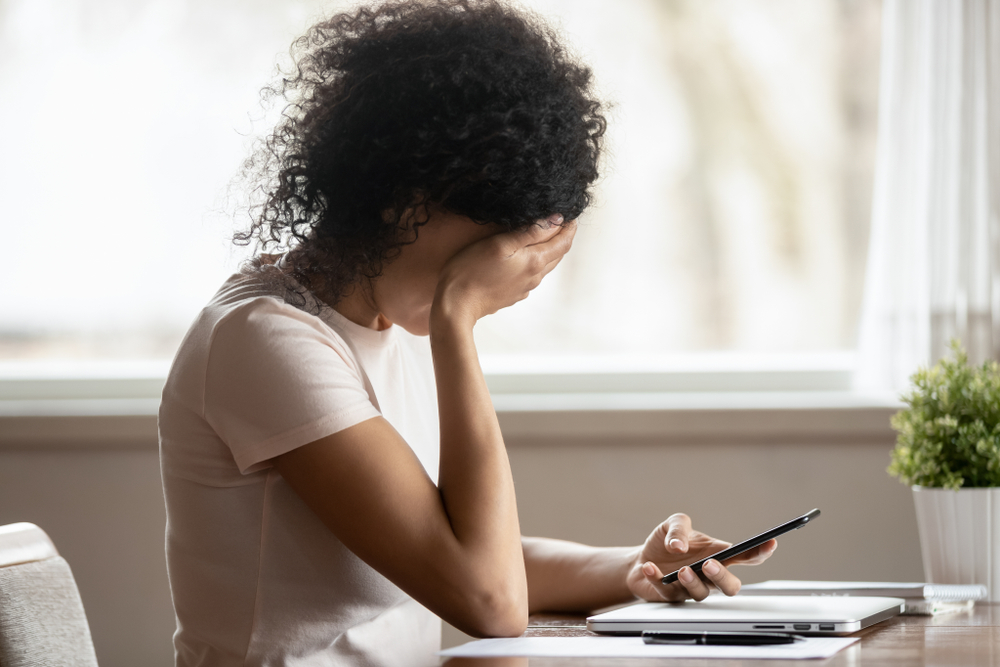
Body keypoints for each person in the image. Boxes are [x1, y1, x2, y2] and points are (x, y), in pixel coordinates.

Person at [158, 1, 776, 665]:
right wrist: (457, 317)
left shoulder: (387, 322)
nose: (500, 272)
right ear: (407, 194)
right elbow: (488, 598)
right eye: (489, 245)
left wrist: (635, 564)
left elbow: (465, 554)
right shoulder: (265, 341)